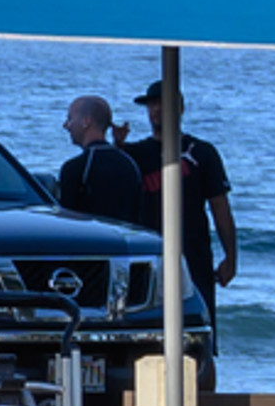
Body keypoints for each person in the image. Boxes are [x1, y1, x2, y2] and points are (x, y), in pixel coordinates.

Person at [126, 71, 241, 289]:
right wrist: (117, 146)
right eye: (152, 105)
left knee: (197, 317)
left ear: (180, 109)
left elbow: (220, 206)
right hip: (149, 254)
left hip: (193, 252)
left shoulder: (202, 152)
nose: (157, 109)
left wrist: (231, 257)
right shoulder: (133, 154)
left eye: (163, 103)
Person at [49, 93, 149, 231]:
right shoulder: (129, 164)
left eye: (70, 118)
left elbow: (67, 223)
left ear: (86, 121)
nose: (66, 126)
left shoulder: (76, 168)